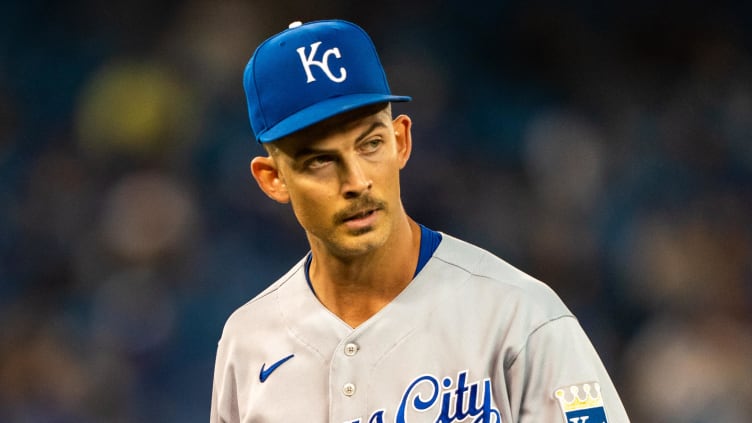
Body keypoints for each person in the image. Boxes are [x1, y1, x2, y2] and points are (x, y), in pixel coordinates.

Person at [211, 19, 630, 423]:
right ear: (273, 178)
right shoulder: (247, 342)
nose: (357, 181)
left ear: (401, 141)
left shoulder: (520, 317)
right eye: (320, 160)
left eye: (371, 144)